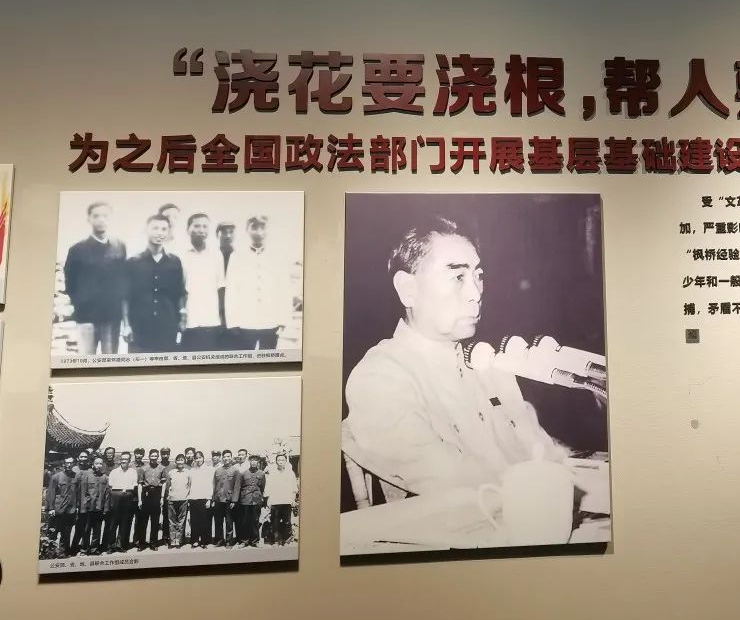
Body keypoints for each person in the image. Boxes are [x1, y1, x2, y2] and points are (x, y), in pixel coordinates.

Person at [344, 216, 567, 498]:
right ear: (408, 289)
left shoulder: (487, 362)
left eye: (479, 276)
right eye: (458, 277)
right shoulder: (380, 376)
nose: (476, 293)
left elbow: (541, 450)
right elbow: (447, 479)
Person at [62, 201, 128, 355]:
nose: (101, 220)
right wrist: (80, 303)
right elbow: (70, 281)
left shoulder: (120, 246)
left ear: (111, 219)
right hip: (86, 315)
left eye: (105, 216)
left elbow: (123, 280)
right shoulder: (77, 249)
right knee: (86, 358)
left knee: (110, 359)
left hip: (112, 315)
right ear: (89, 219)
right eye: (96, 216)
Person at [224, 215, 292, 351]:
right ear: (247, 230)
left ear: (268, 230)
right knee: (245, 360)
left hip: (270, 321)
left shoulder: (278, 256)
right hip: (245, 322)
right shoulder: (237, 256)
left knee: (268, 359)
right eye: (254, 227)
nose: (259, 232)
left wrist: (283, 320)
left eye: (263, 227)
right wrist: (233, 322)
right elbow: (231, 291)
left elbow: (284, 289)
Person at [122, 214, 185, 352]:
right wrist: (126, 325)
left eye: (164, 229)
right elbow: (125, 296)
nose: (159, 233)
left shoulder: (175, 262)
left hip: (167, 326)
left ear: (168, 232)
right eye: (155, 228)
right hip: (139, 327)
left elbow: (179, 293)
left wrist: (181, 320)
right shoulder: (133, 262)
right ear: (146, 230)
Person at [179, 214, 227, 352]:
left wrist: (222, 318)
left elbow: (221, 287)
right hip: (189, 320)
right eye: (197, 226)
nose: (201, 230)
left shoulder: (216, 255)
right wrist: (181, 316)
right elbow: (179, 289)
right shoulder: (181, 255)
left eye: (205, 226)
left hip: (211, 319)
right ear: (188, 229)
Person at [74, 457, 111, 555]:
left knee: (97, 529)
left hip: (99, 508)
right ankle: (84, 548)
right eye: (96, 463)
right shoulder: (86, 476)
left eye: (100, 463)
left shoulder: (105, 477)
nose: (99, 465)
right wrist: (83, 507)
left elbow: (107, 494)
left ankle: (94, 549)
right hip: (89, 508)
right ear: (93, 464)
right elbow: (83, 492)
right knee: (86, 529)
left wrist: (105, 508)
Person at [46, 457, 79, 556]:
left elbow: (78, 493)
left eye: (71, 463)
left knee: (66, 532)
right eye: (66, 463)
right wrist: (51, 508)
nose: (68, 465)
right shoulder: (56, 477)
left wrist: (76, 506)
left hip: (70, 509)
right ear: (64, 464)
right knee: (53, 531)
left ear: (74, 464)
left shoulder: (76, 477)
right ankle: (49, 552)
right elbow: (51, 493)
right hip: (58, 509)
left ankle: (63, 552)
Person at [106, 451, 138, 551]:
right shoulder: (114, 472)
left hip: (128, 496)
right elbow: (111, 485)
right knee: (113, 522)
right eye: (122, 459)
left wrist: (126, 491)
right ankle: (110, 545)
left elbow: (134, 485)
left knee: (124, 522)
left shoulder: (133, 472)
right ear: (120, 460)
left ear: (129, 461)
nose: (124, 461)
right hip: (115, 496)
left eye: (126, 459)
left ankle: (120, 545)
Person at [135, 448, 166, 551]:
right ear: (149, 457)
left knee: (155, 520)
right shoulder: (143, 468)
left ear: (158, 457)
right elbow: (140, 484)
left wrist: (162, 497)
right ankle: (142, 543)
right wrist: (140, 500)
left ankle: (153, 543)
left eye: (155, 456)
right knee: (143, 521)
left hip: (157, 493)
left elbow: (164, 483)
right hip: (146, 493)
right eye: (152, 456)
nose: (153, 458)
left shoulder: (162, 468)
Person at [265, 453, 298, 545]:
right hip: (275, 501)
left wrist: (293, 499)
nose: (280, 462)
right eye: (279, 460)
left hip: (287, 501)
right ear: (276, 462)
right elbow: (268, 487)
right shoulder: (272, 473)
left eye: (282, 460)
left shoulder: (290, 473)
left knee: (287, 521)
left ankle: (286, 539)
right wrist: (269, 499)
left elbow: (294, 488)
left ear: (286, 461)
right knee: (275, 521)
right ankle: (276, 540)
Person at [235, 455, 266, 547]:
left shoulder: (261, 474)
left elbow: (262, 487)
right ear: (249, 461)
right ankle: (244, 541)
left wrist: (261, 498)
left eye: (256, 460)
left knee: (255, 521)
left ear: (258, 462)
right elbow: (239, 487)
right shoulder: (243, 473)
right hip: (245, 499)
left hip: (256, 499)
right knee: (244, 521)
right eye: (252, 460)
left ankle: (255, 541)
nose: (254, 462)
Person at [212, 449, 239, 547]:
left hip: (229, 500)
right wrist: (213, 499)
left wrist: (234, 501)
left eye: (228, 456)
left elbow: (237, 487)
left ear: (231, 458)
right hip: (218, 500)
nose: (226, 458)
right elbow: (214, 486)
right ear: (222, 458)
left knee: (229, 522)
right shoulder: (218, 470)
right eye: (224, 457)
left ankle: (229, 541)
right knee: (218, 522)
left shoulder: (235, 470)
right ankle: (219, 540)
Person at [165, 454, 192, 549]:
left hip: (183, 499)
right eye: (178, 460)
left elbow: (189, 486)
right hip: (172, 499)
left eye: (182, 460)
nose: (180, 462)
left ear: (184, 461)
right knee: (172, 520)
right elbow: (168, 486)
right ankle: (173, 541)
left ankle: (179, 541)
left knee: (181, 520)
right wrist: (167, 496)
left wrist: (188, 496)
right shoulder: (171, 472)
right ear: (175, 462)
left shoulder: (188, 472)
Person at [188, 451, 213, 548]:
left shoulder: (208, 469)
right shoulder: (192, 470)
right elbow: (190, 484)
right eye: (196, 458)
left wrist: (209, 499)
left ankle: (204, 541)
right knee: (194, 521)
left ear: (203, 458)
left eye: (200, 457)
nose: (198, 460)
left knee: (204, 521)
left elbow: (210, 485)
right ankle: (195, 540)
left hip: (204, 498)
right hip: (193, 498)